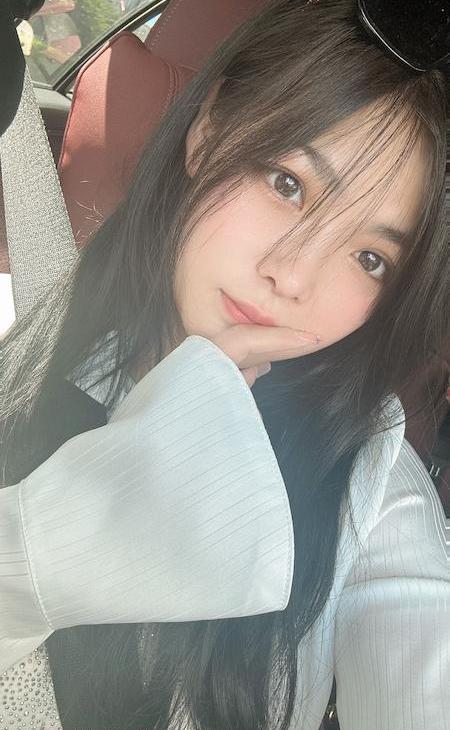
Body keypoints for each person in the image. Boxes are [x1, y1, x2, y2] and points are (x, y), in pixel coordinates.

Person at [0, 0, 448, 728]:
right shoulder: (19, 327)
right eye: (287, 184)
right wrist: (60, 537)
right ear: (208, 130)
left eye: (370, 257)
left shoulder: (365, 475)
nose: (293, 276)